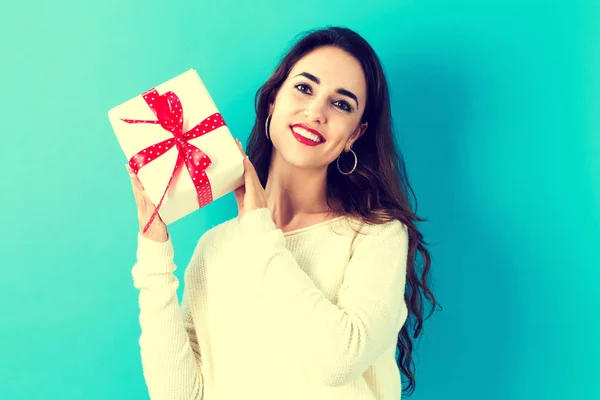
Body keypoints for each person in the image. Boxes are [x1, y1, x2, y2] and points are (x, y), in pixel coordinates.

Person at [126, 26, 439, 400]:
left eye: (341, 104)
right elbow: (179, 395)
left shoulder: (376, 235)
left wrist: (260, 234)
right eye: (305, 88)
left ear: (355, 134)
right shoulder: (215, 248)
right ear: (273, 99)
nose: (315, 112)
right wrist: (154, 251)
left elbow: (338, 359)